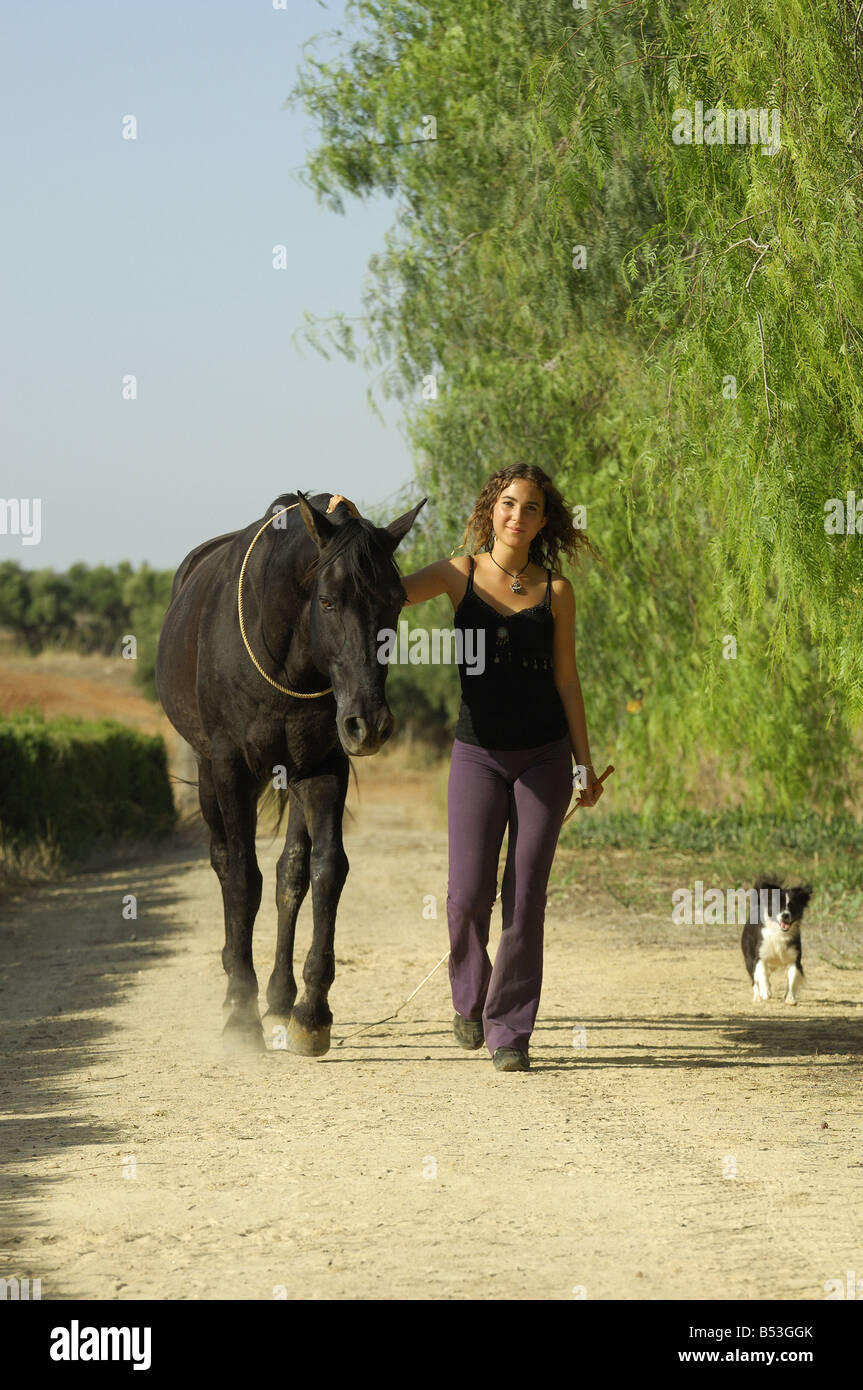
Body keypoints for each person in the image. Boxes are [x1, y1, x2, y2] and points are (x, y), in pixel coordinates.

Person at [326, 464, 604, 1072]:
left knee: (525, 898)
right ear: (491, 509)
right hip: (477, 753)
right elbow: (383, 587)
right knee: (467, 895)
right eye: (509, 504)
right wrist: (347, 526)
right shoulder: (460, 573)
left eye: (531, 508)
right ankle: (469, 999)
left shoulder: (556, 592)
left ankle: (511, 1033)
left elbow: (567, 679)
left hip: (544, 758)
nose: (518, 516)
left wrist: (583, 766)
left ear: (543, 521)